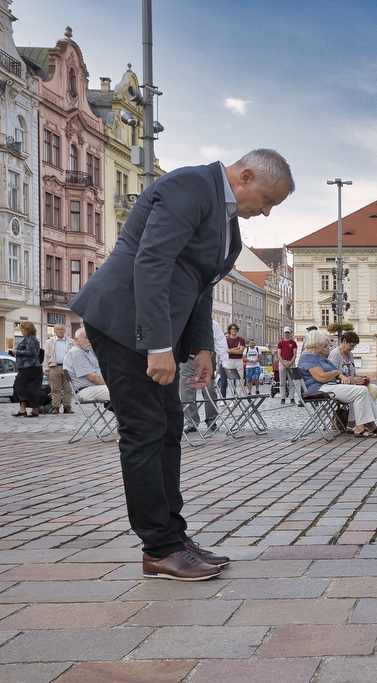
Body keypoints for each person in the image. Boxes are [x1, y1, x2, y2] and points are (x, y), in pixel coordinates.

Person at [69, 148, 294, 581]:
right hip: (124, 319)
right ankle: (158, 547)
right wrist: (157, 345)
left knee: (169, 425)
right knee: (144, 430)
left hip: (154, 328)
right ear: (246, 176)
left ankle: (174, 536)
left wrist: (202, 348)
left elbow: (200, 283)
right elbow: (152, 261)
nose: (266, 212)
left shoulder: (224, 216)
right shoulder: (190, 186)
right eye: (267, 200)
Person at [298, 329, 377, 437]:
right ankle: (361, 427)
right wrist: (337, 373)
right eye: (324, 345)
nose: (326, 347)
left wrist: (338, 374)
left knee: (364, 390)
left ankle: (369, 424)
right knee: (361, 391)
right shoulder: (308, 356)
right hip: (320, 388)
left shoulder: (318, 356)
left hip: (328, 385)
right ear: (317, 343)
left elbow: (335, 371)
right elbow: (321, 377)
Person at [179, 319, 226, 433]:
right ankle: (192, 422)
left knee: (210, 390)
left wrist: (224, 363)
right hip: (186, 358)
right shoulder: (183, 320)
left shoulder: (212, 324)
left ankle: (211, 420)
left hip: (206, 358)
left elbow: (220, 342)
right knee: (186, 391)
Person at [328, 330, 377, 401]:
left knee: (374, 389)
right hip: (340, 386)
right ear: (344, 342)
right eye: (351, 345)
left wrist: (361, 377)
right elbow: (332, 375)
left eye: (354, 346)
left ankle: (367, 408)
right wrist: (351, 380)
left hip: (352, 385)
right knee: (362, 391)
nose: (353, 348)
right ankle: (362, 407)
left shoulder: (350, 354)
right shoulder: (335, 354)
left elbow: (352, 374)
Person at [63, 328, 110, 402]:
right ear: (76, 340)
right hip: (86, 390)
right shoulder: (76, 353)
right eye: (86, 338)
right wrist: (111, 383)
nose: (90, 340)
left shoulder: (86, 351)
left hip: (94, 388)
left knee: (123, 388)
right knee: (121, 389)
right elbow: (92, 378)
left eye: (91, 337)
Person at [11, 321, 45, 417]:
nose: (22, 331)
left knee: (30, 389)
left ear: (27, 330)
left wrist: (17, 352)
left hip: (30, 368)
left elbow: (31, 352)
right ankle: (23, 409)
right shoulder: (28, 339)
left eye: (23, 329)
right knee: (20, 387)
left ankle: (34, 410)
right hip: (26, 368)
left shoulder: (31, 339)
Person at [43, 323, 74, 414]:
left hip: (67, 367)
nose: (60, 331)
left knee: (68, 389)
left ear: (65, 330)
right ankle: (55, 407)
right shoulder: (49, 342)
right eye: (58, 329)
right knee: (55, 389)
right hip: (54, 366)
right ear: (55, 331)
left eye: (61, 329)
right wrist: (46, 368)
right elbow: (46, 356)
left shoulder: (71, 342)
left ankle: (67, 406)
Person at [220, 323, 245, 397]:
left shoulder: (241, 340)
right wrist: (237, 348)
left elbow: (241, 351)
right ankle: (231, 398)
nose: (234, 330)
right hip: (230, 361)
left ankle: (238, 397)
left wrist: (230, 350)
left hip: (238, 360)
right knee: (230, 381)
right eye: (232, 329)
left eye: (235, 329)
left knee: (239, 381)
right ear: (230, 330)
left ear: (237, 330)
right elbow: (225, 351)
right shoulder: (226, 340)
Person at [276, 326, 298, 404]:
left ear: (290, 333)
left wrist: (291, 362)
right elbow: (279, 354)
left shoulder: (293, 343)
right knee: (282, 382)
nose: (287, 334)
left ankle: (292, 398)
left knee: (291, 382)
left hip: (290, 361)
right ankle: (282, 398)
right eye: (286, 332)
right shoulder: (280, 343)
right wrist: (283, 363)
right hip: (283, 361)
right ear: (284, 333)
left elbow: (294, 354)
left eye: (288, 332)